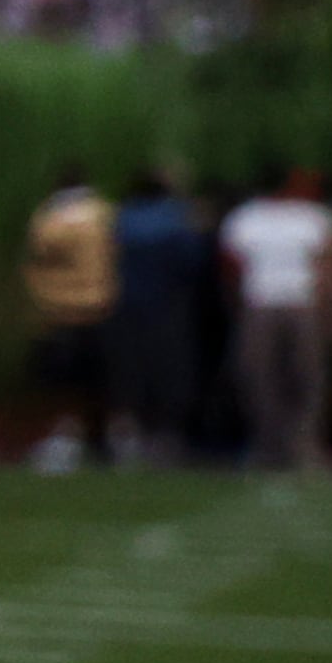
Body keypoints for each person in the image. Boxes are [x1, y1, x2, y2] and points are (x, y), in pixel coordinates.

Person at [221, 165, 332, 471]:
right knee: (260, 375)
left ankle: (303, 445)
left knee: (305, 377)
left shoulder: (312, 217)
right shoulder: (246, 218)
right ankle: (270, 444)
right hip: (262, 301)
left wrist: (330, 308)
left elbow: (331, 266)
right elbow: (231, 268)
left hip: (300, 303)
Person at [108, 168, 207, 465]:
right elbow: (193, 262)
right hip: (167, 306)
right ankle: (165, 435)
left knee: (129, 371)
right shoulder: (175, 220)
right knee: (168, 371)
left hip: (127, 304)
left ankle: (126, 433)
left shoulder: (123, 219)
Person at [22, 160, 113, 472]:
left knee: (63, 380)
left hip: (60, 307)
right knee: (99, 378)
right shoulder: (104, 213)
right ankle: (101, 439)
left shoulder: (50, 217)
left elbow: (40, 252)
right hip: (101, 303)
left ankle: (68, 436)